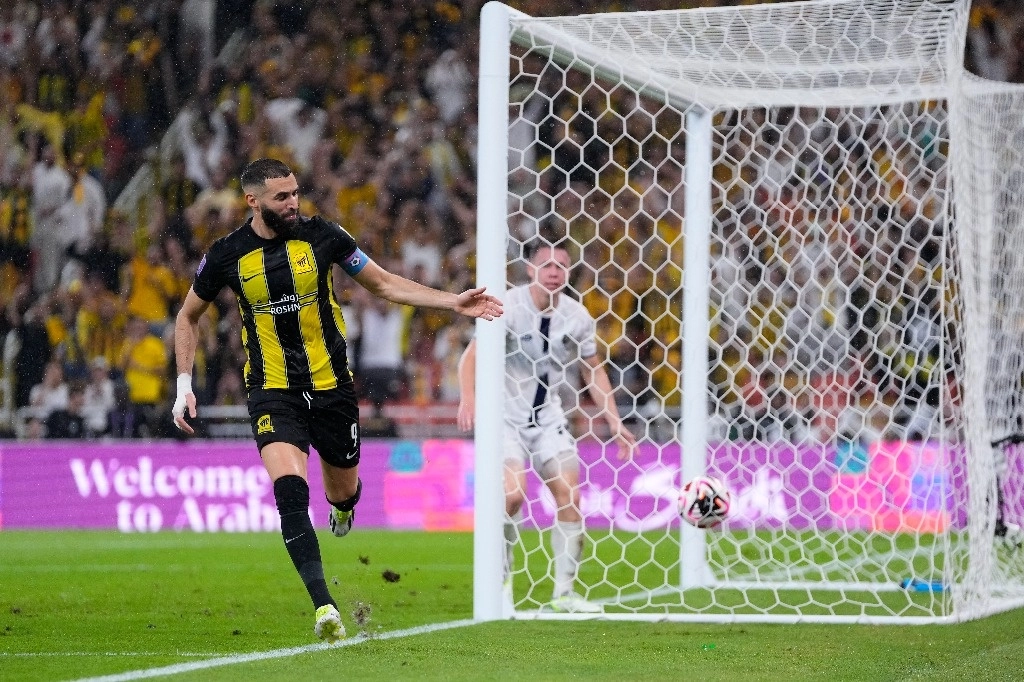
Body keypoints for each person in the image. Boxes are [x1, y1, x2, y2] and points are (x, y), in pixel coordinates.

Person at [172, 158, 502, 643]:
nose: (292, 203)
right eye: (281, 197)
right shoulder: (226, 255)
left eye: (295, 193)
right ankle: (323, 603)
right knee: (289, 494)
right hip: (272, 390)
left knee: (342, 491)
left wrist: (453, 301)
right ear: (253, 201)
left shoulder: (323, 235)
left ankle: (343, 509)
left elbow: (384, 283)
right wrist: (184, 383)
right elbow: (187, 316)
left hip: (332, 390)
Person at [457, 238, 636, 613]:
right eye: (546, 265)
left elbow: (593, 369)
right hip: (505, 419)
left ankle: (564, 595)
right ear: (530, 269)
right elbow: (471, 356)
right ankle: (500, 585)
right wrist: (469, 398)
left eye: (561, 265)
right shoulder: (507, 307)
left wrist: (615, 422)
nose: (554, 272)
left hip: (549, 419)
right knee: (512, 496)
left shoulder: (578, 316)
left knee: (570, 499)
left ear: (569, 271)